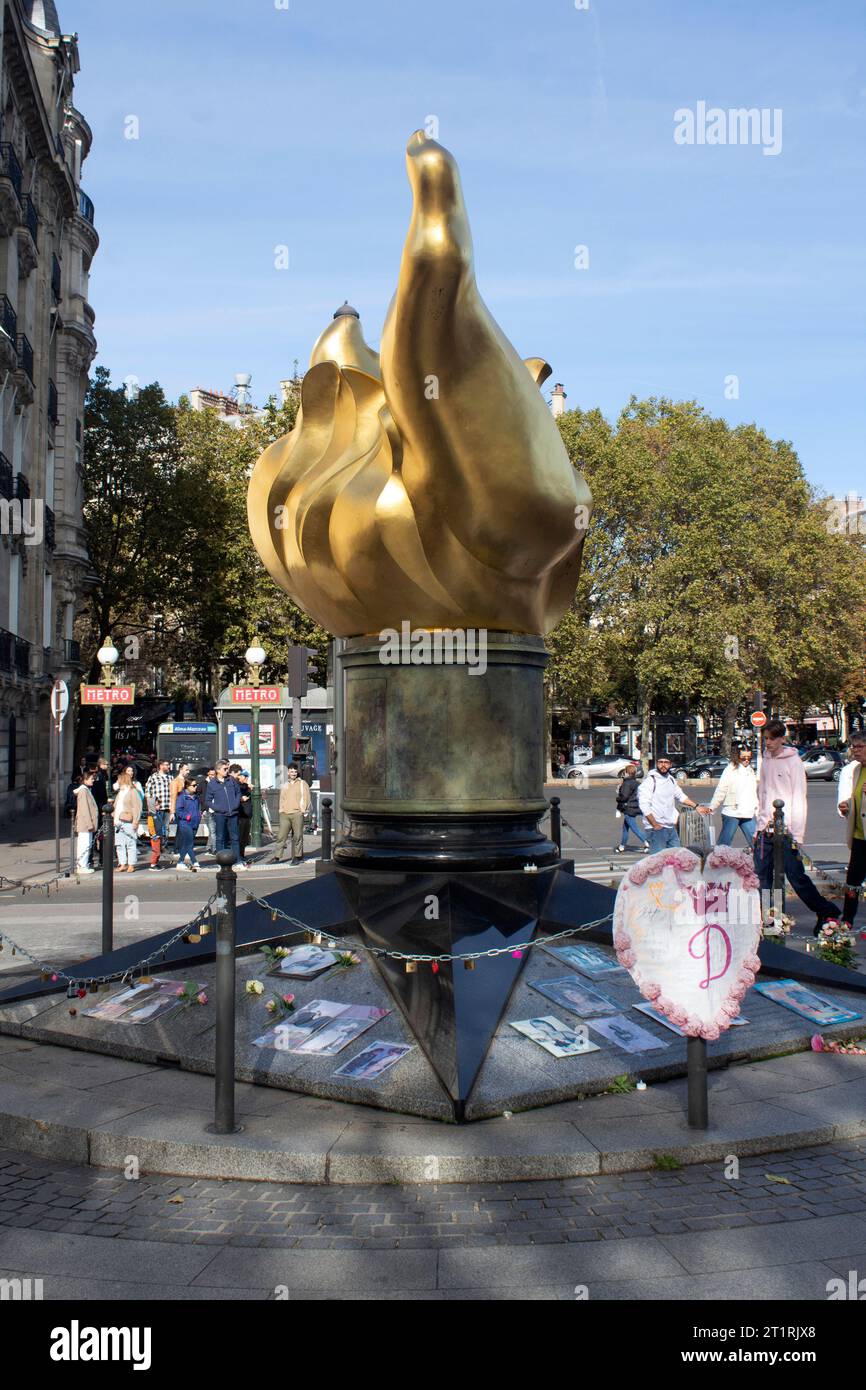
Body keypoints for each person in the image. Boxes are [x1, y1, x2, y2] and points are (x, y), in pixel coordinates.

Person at [754, 720, 840, 931]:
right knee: (761, 874)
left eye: (772, 739)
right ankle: (769, 916)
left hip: (786, 830)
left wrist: (797, 834)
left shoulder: (793, 761)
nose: (768, 743)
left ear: (782, 738)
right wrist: (759, 825)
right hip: (766, 828)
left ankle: (825, 910)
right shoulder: (765, 759)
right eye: (765, 738)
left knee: (795, 875)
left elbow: (799, 798)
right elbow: (762, 792)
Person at [637, 755, 709, 852]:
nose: (663, 765)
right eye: (660, 762)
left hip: (670, 827)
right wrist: (655, 825)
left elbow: (680, 796)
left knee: (676, 858)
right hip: (656, 829)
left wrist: (696, 806)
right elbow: (644, 805)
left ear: (670, 765)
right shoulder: (650, 781)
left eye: (666, 762)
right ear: (657, 764)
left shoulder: (670, 779)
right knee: (658, 861)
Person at [836, 732, 866, 928]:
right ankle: (847, 921)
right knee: (852, 882)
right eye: (853, 747)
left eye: (860, 747)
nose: (855, 751)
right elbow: (857, 801)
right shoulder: (856, 770)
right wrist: (846, 807)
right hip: (859, 836)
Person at [710, 745, 759, 846]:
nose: (746, 760)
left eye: (749, 758)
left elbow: (752, 793)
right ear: (737, 756)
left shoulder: (750, 770)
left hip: (748, 812)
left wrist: (757, 811)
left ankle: (760, 861)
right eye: (743, 757)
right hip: (732, 811)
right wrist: (712, 807)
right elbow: (721, 789)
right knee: (724, 844)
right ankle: (718, 861)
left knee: (756, 843)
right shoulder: (730, 769)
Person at [269, 763, 312, 864]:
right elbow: (282, 798)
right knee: (281, 836)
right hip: (285, 814)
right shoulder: (285, 784)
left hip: (297, 813)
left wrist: (302, 810)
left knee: (298, 836)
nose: (293, 773)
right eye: (291, 771)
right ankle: (277, 857)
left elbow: (307, 797)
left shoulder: (302, 783)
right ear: (288, 772)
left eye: (295, 771)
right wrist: (281, 810)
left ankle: (297, 857)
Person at [205, 759, 244, 867]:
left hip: (233, 814)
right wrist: (218, 808)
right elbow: (207, 801)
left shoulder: (231, 780)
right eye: (225, 769)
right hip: (220, 815)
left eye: (227, 768)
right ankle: (221, 862)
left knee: (235, 838)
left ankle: (237, 861)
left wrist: (236, 805)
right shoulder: (212, 784)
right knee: (220, 838)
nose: (227, 770)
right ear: (218, 770)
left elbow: (238, 793)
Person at [144, 758, 173, 872]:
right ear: (161, 766)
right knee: (157, 833)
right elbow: (148, 792)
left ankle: (162, 850)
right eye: (167, 764)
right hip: (157, 809)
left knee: (165, 831)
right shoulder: (153, 777)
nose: (169, 767)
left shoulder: (170, 777)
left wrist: (172, 810)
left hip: (167, 808)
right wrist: (152, 808)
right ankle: (155, 858)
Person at [112, 766, 142, 872]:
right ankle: (123, 863)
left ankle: (131, 864)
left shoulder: (132, 791)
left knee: (130, 843)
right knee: (119, 844)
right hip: (118, 821)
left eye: (119, 780)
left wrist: (135, 821)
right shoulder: (120, 792)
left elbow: (137, 807)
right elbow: (116, 806)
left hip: (128, 821)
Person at [615, 764, 649, 853]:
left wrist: (618, 798)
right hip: (635, 806)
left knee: (634, 828)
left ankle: (647, 843)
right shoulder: (637, 783)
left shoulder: (627, 783)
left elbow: (624, 796)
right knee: (625, 828)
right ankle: (622, 846)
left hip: (628, 808)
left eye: (625, 772)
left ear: (626, 772)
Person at [73, 771, 99, 874]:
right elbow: (84, 809)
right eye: (91, 778)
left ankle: (83, 865)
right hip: (85, 824)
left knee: (86, 844)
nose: (93, 780)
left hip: (86, 823)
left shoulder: (86, 790)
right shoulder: (83, 791)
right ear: (85, 780)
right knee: (84, 845)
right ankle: (82, 866)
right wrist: (89, 824)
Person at [175, 778, 202, 872]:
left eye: (196, 785)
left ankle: (180, 862)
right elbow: (178, 811)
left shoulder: (196, 797)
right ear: (187, 786)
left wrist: (199, 815)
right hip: (185, 823)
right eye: (193, 785)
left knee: (187, 844)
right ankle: (195, 862)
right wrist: (187, 817)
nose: (196, 787)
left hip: (195, 822)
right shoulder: (182, 797)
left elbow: (198, 808)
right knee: (190, 844)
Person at [230, 765, 253, 859]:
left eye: (247, 777)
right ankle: (237, 855)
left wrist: (249, 788)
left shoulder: (245, 786)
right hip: (240, 815)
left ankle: (242, 855)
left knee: (244, 837)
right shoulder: (237, 785)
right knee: (239, 836)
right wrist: (241, 798)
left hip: (247, 815)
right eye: (245, 776)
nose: (246, 779)